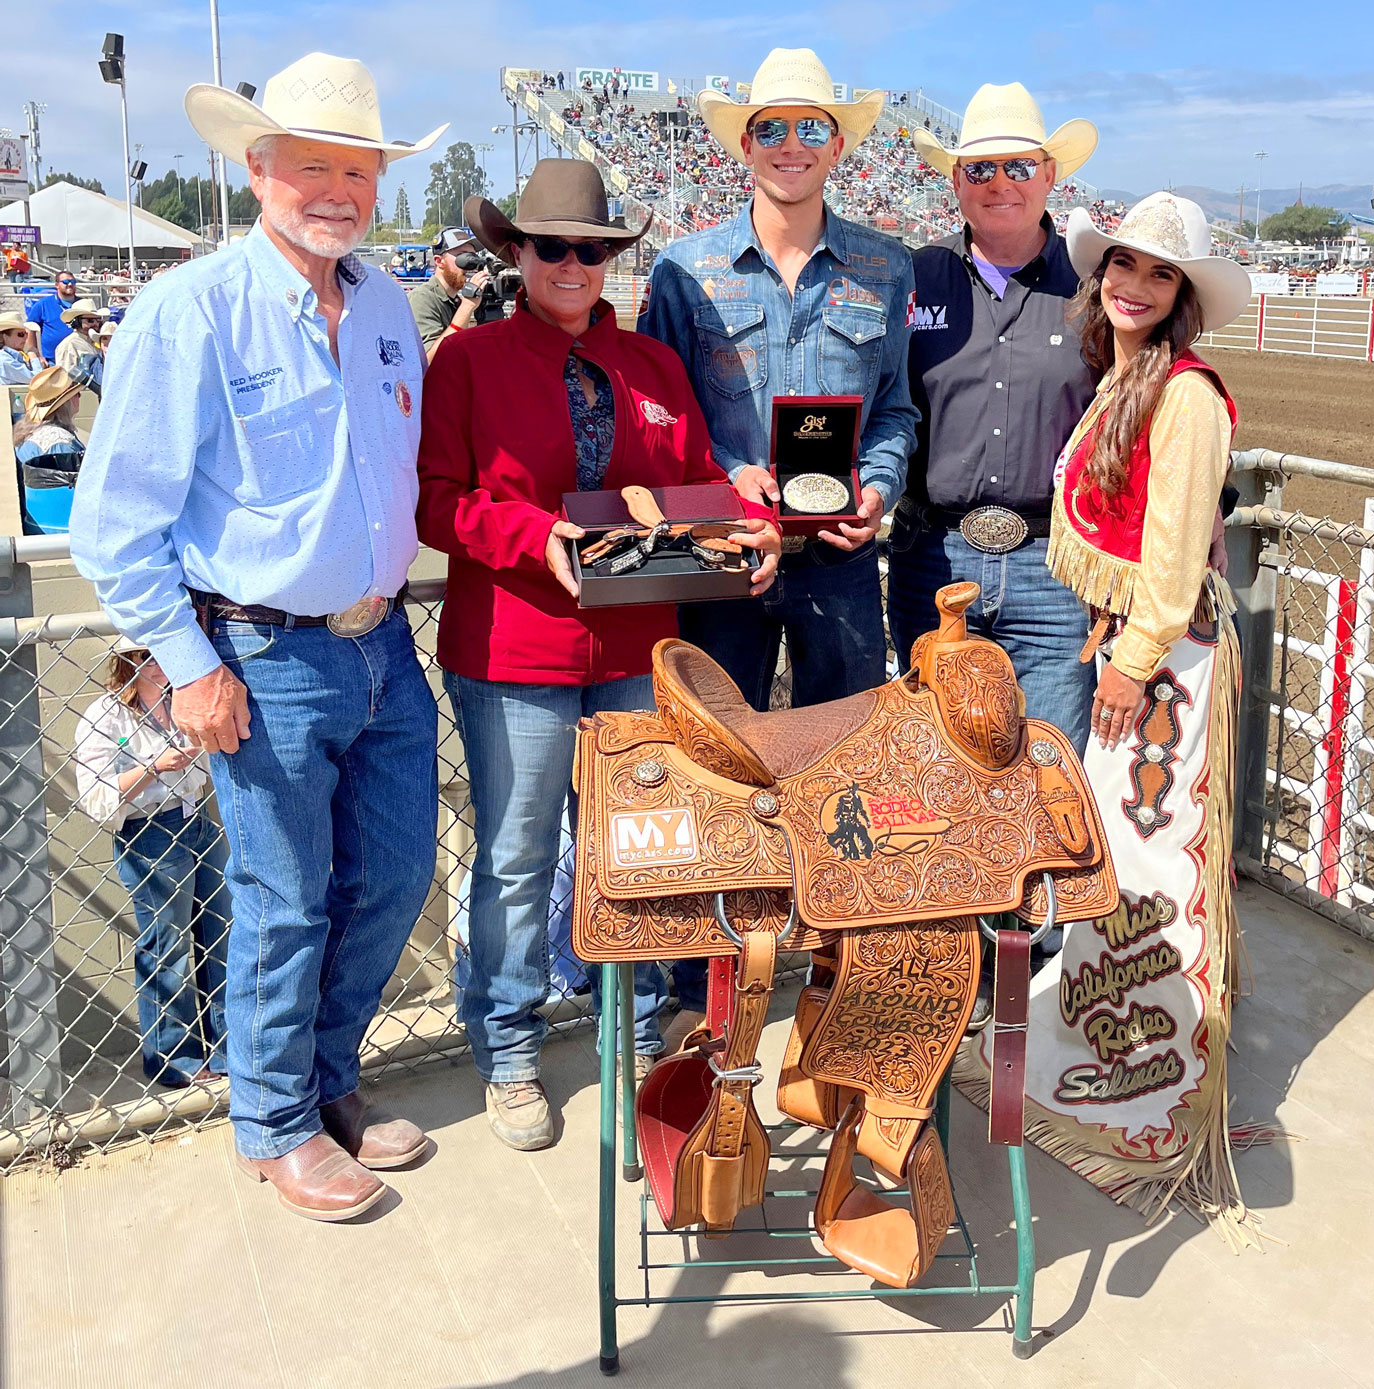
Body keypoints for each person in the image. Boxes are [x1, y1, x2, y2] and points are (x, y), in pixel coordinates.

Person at [69, 51, 449, 1224]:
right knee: (284, 895)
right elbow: (116, 521)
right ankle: (274, 1116)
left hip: (382, 643)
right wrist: (190, 665)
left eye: (358, 169)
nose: (337, 189)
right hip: (263, 654)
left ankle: (322, 1076)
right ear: (257, 169)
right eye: (312, 166)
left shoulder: (385, 305)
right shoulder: (190, 311)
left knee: (387, 875)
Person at [416, 160, 779, 1152]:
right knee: (519, 851)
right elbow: (437, 499)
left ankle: (630, 1019)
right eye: (550, 248)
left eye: (589, 249)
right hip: (514, 647)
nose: (571, 265)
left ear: (610, 260)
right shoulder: (469, 362)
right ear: (517, 255)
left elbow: (699, 480)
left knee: (633, 850)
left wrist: (746, 525)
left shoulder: (654, 371)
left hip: (633, 644)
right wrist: (532, 536)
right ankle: (509, 1046)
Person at [979, 192, 1258, 1236]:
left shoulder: (1182, 396)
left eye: (1158, 274)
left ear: (1181, 295)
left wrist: (1131, 663)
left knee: (1142, 863)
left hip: (1162, 660)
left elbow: (1176, 550)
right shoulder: (1131, 380)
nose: (1133, 285)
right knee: (1124, 857)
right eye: (1122, 266)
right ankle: (1113, 1052)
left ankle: (1152, 1081)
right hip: (1140, 650)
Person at [639, 48, 916, 1037]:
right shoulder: (685, 269)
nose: (790, 146)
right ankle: (701, 995)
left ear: (839, 142)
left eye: (809, 127)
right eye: (770, 128)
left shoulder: (886, 265)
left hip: (840, 564)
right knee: (717, 765)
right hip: (721, 562)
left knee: (841, 766)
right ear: (742, 145)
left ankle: (840, 975)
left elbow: (893, 411)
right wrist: (721, 475)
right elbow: (657, 413)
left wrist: (877, 488)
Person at [891, 83, 1101, 757]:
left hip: (1056, 566)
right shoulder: (913, 277)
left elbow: (1150, 402)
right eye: (981, 168)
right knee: (937, 767)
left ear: (1049, 174)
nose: (999, 183)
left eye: (1018, 166)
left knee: (1048, 768)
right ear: (956, 179)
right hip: (934, 556)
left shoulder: (1098, 285)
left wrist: (1206, 505)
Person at [74, 637, 230, 1088]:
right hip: (150, 834)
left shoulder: (182, 695)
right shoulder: (106, 716)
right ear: (128, 661)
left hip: (198, 817)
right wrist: (155, 766)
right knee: (170, 945)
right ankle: (173, 1055)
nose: (163, 664)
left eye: (168, 652)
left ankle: (229, 1046)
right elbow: (96, 798)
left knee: (223, 932)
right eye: (149, 656)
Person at [407, 225, 497, 363]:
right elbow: (430, 362)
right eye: (463, 256)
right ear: (439, 261)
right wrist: (467, 307)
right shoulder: (422, 299)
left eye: (472, 256)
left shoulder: (456, 302)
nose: (469, 264)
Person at [14, 365, 85, 533]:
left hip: (35, 521)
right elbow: (71, 494)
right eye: (76, 394)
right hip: (55, 529)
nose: (80, 396)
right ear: (65, 403)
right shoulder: (59, 442)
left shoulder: (28, 431)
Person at [28, 270, 81, 364]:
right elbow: (29, 328)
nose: (69, 284)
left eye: (72, 282)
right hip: (53, 360)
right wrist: (35, 353)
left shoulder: (82, 304)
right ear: (56, 285)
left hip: (80, 358)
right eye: (65, 282)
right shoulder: (43, 304)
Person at [54, 298, 109, 374]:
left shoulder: (95, 341)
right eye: (90, 321)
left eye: (98, 320)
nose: (96, 324)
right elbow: (65, 376)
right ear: (77, 322)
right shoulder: (69, 344)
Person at [0, 309, 39, 386]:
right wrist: (34, 358)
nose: (25, 338)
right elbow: (37, 380)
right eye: (20, 334)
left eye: (26, 334)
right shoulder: (5, 360)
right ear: (5, 337)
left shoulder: (13, 356)